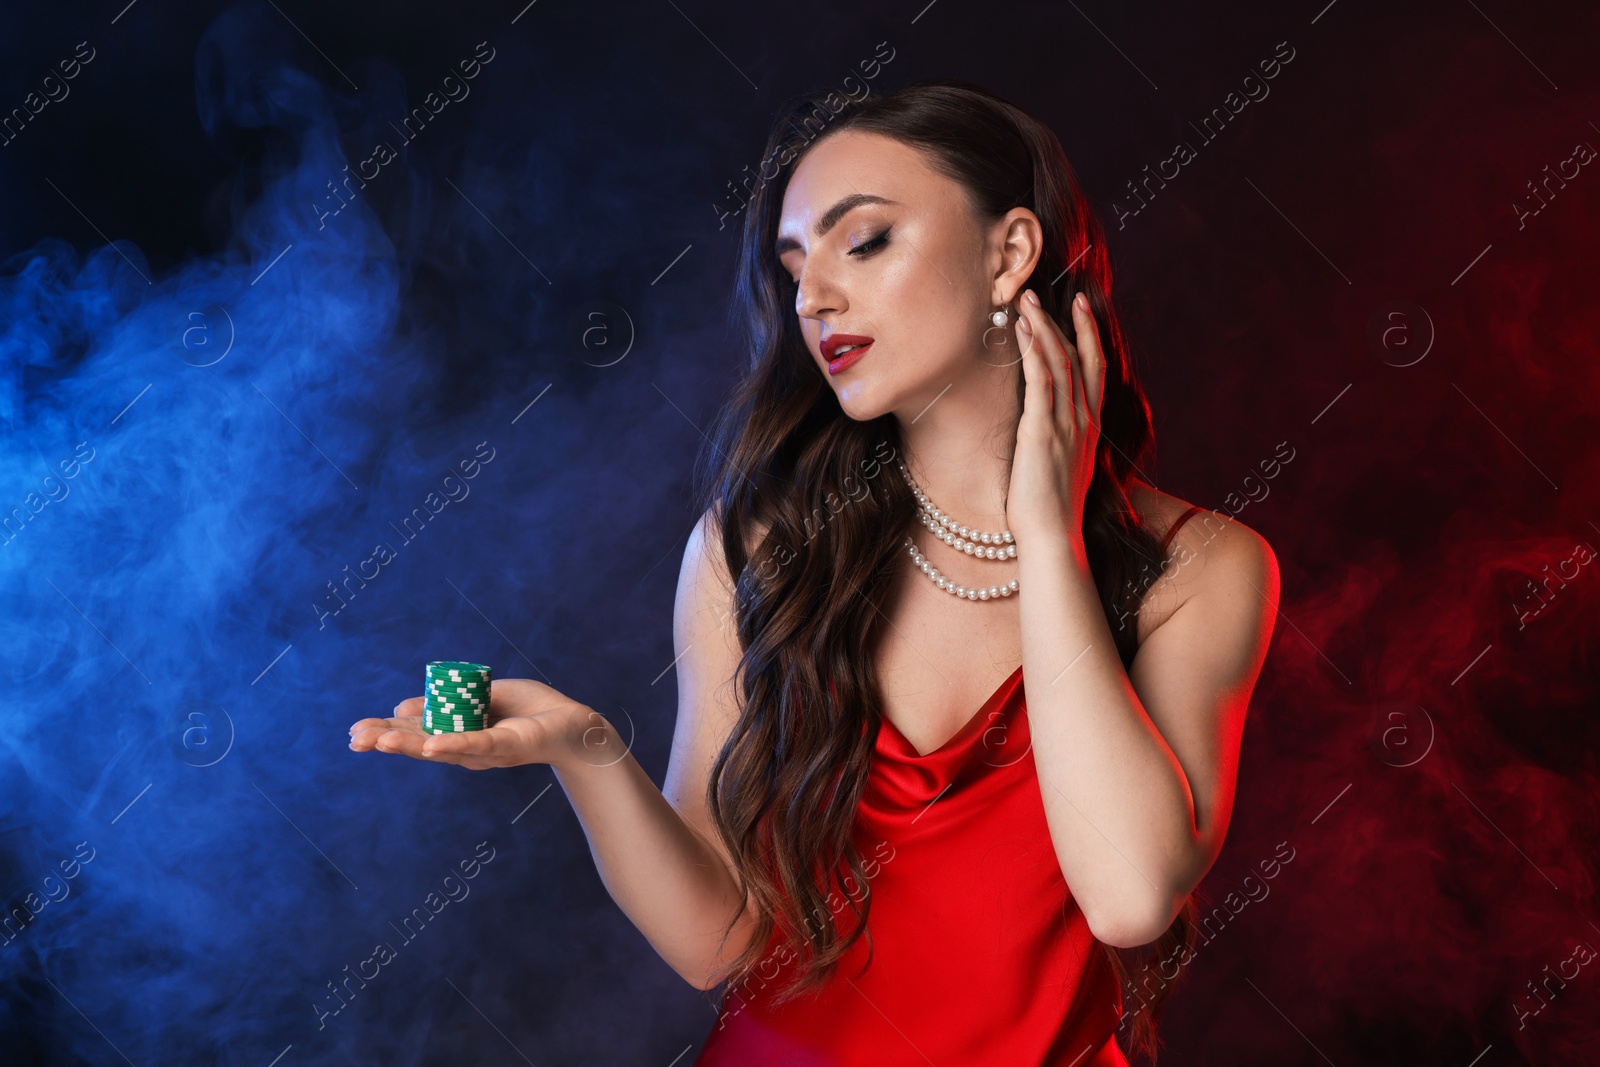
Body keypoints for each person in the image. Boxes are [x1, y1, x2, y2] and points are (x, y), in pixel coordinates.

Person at [348, 79, 1280, 1066]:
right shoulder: (751, 547)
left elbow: (1131, 895)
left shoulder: (1201, 568)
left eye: (863, 240)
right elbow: (721, 943)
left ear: (1009, 253)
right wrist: (584, 748)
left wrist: (1045, 535)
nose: (812, 296)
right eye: (793, 265)